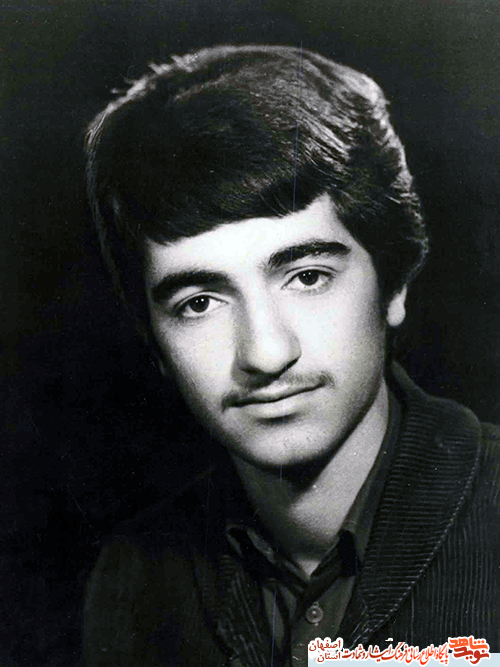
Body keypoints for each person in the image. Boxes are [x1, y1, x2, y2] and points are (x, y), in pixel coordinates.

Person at [83, 45, 500, 666]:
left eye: (307, 277)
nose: (266, 352)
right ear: (155, 343)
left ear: (393, 286)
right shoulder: (132, 580)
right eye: (199, 302)